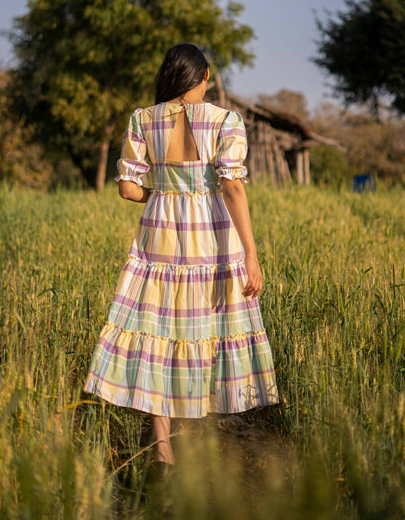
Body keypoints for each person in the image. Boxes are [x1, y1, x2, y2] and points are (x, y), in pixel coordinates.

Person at [84, 43, 279, 472]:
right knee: (205, 327)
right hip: (210, 236)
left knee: (157, 332)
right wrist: (252, 253)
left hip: (159, 236)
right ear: (205, 76)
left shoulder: (142, 119)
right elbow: (232, 187)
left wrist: (163, 194)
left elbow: (127, 187)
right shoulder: (225, 120)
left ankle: (163, 450)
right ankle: (202, 439)